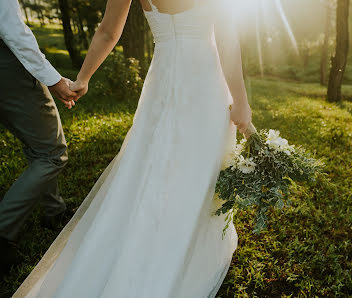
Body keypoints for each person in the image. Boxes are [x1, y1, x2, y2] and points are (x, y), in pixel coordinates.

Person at [14, 0, 251, 296]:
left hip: (163, 82)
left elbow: (108, 32)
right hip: (203, 82)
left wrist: (84, 77)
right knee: (197, 165)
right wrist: (241, 102)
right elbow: (227, 40)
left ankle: (148, 234)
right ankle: (187, 248)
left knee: (152, 161)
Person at [0, 0, 78, 274]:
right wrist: (54, 80)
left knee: (37, 146)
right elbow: (12, 30)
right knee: (53, 154)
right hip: (8, 67)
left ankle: (54, 211)